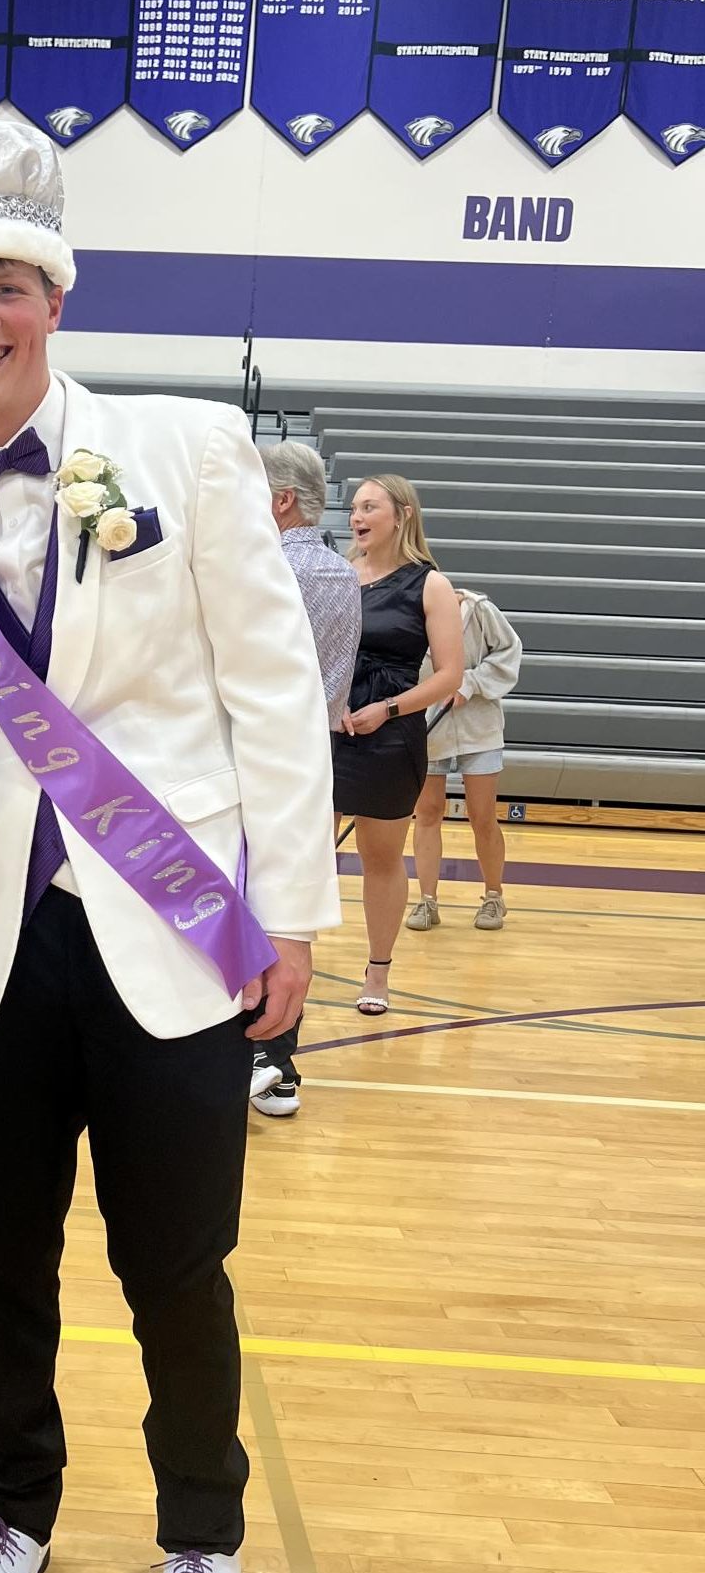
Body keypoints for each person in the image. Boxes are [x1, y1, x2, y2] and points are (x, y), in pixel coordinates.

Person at [0, 120, 338, 1573]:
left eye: (4, 285)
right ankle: (12, 1517)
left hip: (179, 929)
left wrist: (290, 915)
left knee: (177, 1263)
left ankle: (201, 1540)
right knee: (7, 1258)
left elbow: (272, 692)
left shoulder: (191, 448)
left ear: (52, 300)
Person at [250, 442, 361, 1117]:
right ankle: (277, 1062)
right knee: (288, 910)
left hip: (251, 753)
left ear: (280, 499)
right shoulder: (343, 574)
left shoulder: (261, 568)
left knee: (239, 899)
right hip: (312, 758)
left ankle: (245, 1052)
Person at [332, 474, 464, 1016]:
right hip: (327, 727)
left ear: (401, 514)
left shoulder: (430, 584)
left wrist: (386, 709)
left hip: (391, 733)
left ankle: (378, 971)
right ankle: (286, 958)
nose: (357, 517)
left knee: (380, 857)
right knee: (304, 851)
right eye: (354, 508)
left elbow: (449, 676)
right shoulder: (335, 574)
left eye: (370, 507)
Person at [409, 588, 523, 932]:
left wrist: (469, 683)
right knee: (427, 812)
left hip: (480, 729)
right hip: (429, 727)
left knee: (482, 814)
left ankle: (493, 896)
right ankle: (427, 900)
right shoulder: (409, 615)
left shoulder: (479, 610)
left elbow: (509, 652)